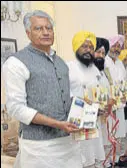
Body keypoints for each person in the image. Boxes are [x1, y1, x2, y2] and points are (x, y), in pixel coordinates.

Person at [3, 10, 82, 168]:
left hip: (68, 143)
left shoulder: (60, 62)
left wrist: (87, 107)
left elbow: (67, 98)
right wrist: (56, 123)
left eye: (49, 28)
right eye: (38, 28)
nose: (45, 32)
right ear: (28, 33)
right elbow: (15, 108)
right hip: (38, 147)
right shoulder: (16, 63)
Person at [68, 31, 106, 168]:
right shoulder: (69, 67)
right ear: (76, 47)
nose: (88, 50)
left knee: (94, 156)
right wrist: (81, 101)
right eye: (84, 46)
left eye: (91, 47)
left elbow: (100, 93)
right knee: (81, 159)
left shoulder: (94, 69)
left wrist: (102, 106)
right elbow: (65, 93)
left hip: (94, 119)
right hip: (77, 120)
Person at [93, 37, 115, 168]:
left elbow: (110, 90)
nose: (100, 56)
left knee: (106, 143)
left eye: (103, 53)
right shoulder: (88, 71)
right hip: (94, 116)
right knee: (96, 147)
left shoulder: (105, 71)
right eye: (98, 52)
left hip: (106, 115)